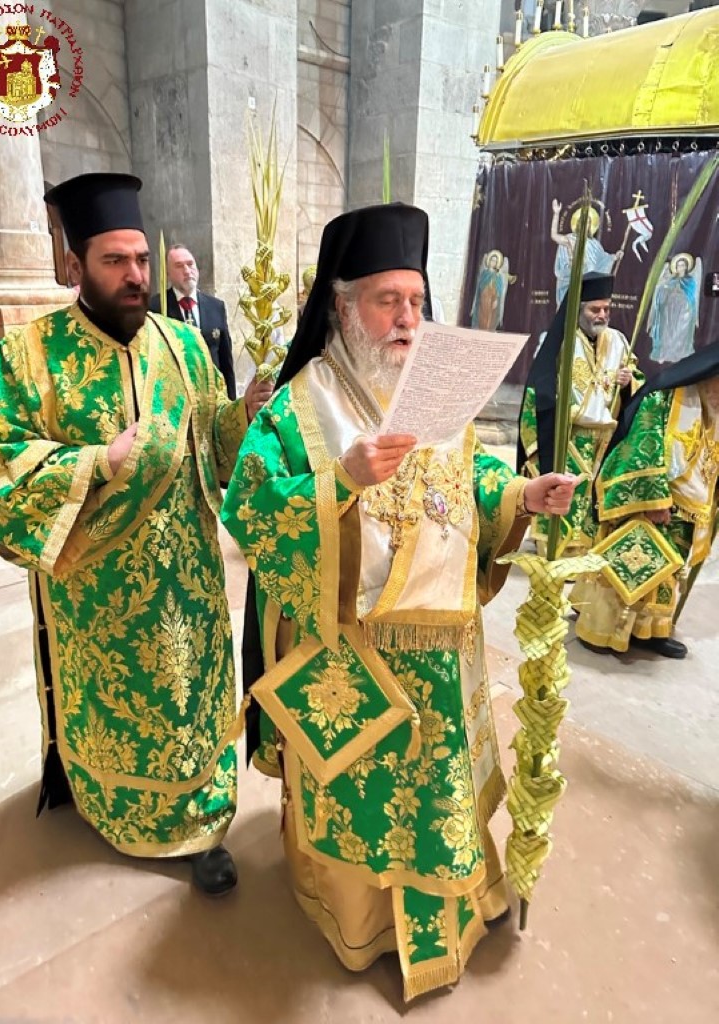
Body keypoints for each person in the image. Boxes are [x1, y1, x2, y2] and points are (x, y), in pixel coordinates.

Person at [220, 202, 579, 1000]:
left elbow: (474, 480)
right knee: (370, 804)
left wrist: (523, 494)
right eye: (388, 301)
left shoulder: (438, 392)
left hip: (446, 648)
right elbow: (249, 508)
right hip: (357, 654)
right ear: (343, 306)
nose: (408, 319)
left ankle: (449, 914)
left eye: (416, 301)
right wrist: (339, 481)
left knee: (439, 793)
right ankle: (360, 923)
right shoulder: (300, 404)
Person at [0, 173, 272, 894]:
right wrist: (98, 462)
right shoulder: (28, 357)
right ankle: (100, 798)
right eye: (115, 261)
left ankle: (202, 825)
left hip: (189, 587)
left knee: (189, 707)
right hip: (98, 599)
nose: (136, 275)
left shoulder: (185, 345)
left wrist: (244, 414)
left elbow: (215, 443)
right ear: (75, 265)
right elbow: (2, 466)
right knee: (113, 712)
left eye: (141, 259)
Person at [573, 341, 719, 659]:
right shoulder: (665, 397)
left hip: (691, 509)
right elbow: (642, 442)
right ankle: (599, 629)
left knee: (667, 574)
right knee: (628, 564)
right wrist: (653, 499)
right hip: (654, 502)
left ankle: (650, 632)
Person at [517, 272, 642, 557]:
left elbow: (636, 377)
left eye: (606, 309)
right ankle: (555, 553)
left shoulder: (619, 341)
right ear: (578, 309)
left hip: (605, 438)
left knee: (591, 504)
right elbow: (537, 391)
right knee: (564, 497)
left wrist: (629, 381)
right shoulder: (561, 343)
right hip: (569, 438)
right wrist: (539, 442)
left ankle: (584, 554)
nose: (602, 315)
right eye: (594, 309)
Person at [150, 243, 237, 399]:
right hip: (175, 398)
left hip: (212, 397)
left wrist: (232, 403)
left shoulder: (216, 306)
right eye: (179, 266)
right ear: (168, 273)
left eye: (190, 264)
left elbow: (226, 361)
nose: (187, 270)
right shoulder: (155, 308)